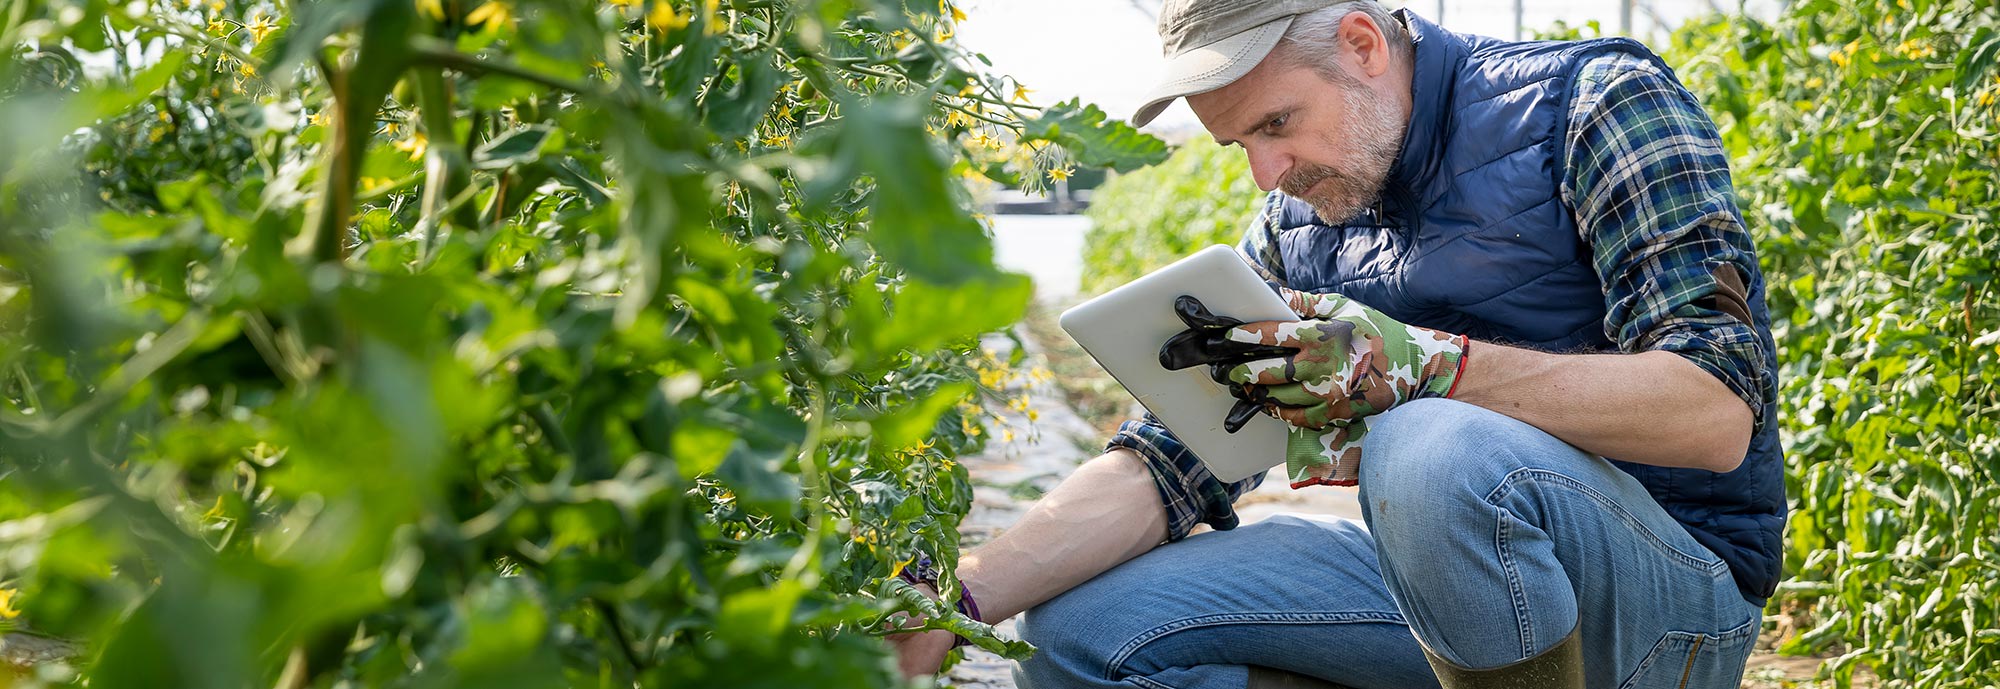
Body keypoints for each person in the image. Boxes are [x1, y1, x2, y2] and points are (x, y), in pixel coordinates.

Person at [888, 1, 1784, 686]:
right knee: (1073, 633)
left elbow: (1715, 415)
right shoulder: (1295, 223)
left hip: (1669, 600)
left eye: (1276, 123)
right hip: (1454, 595)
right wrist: (956, 603)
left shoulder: (1593, 105)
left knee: (1425, 442)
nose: (1265, 172)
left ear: (1362, 43)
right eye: (1238, 141)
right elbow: (1172, 462)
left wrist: (1432, 367)